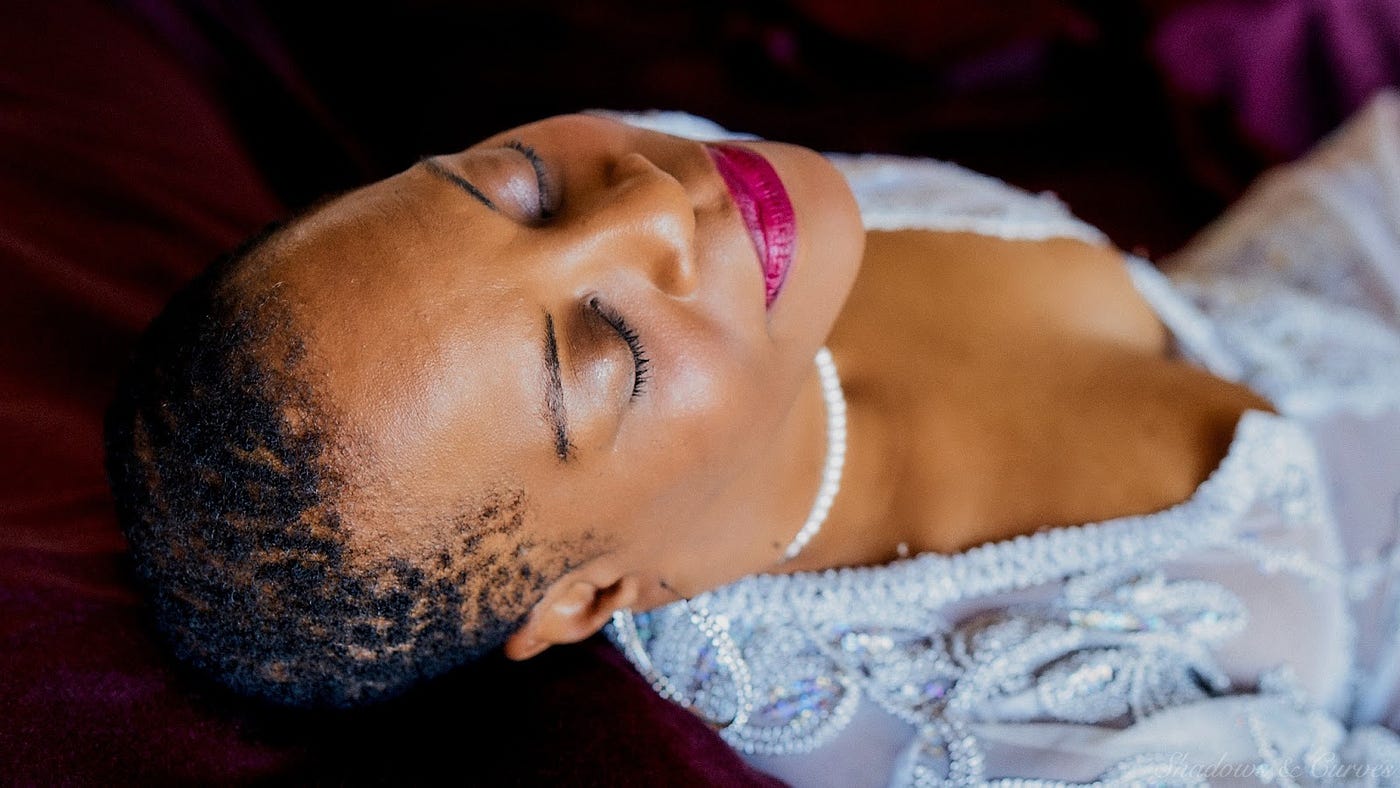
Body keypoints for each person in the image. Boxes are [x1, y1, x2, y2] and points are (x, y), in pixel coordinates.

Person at [104, 100, 1400, 784]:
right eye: (604, 349)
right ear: (593, 594)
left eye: (516, 187)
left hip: (1320, 286)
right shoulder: (974, 737)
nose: (650, 202)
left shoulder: (686, 193)